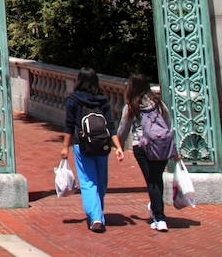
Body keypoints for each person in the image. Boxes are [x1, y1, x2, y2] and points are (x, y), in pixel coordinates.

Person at [61, 67, 125, 232]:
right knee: (101, 181)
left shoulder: (73, 100)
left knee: (88, 181)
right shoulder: (102, 100)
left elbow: (69, 126)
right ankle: (97, 214)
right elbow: (110, 126)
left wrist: (64, 148)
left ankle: (96, 217)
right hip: (102, 144)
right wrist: (118, 146)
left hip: (81, 144)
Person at [117, 73, 178, 232]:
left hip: (142, 146)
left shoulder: (132, 105)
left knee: (151, 181)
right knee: (157, 179)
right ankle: (157, 209)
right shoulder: (158, 103)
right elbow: (168, 122)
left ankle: (159, 218)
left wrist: (119, 146)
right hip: (161, 144)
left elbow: (123, 128)